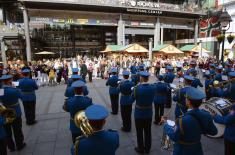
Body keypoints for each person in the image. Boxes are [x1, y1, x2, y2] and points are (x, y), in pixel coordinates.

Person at [163, 87, 217, 155]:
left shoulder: (182, 120)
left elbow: (174, 137)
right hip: (197, 149)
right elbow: (214, 132)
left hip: (182, 150)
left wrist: (166, 125)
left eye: (186, 99)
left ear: (188, 102)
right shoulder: (207, 115)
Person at [0, 75, 26, 151]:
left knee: (7, 131)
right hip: (16, 112)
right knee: (17, 130)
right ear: (9, 81)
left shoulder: (0, 91)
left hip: (4, 113)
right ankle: (19, 145)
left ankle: (11, 147)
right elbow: (22, 97)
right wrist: (17, 89)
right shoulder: (14, 90)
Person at [131, 71, 155, 154]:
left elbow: (131, 100)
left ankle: (140, 149)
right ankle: (147, 149)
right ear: (148, 78)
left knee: (139, 132)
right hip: (148, 113)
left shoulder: (137, 88)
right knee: (148, 132)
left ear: (141, 78)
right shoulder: (153, 87)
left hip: (139, 113)